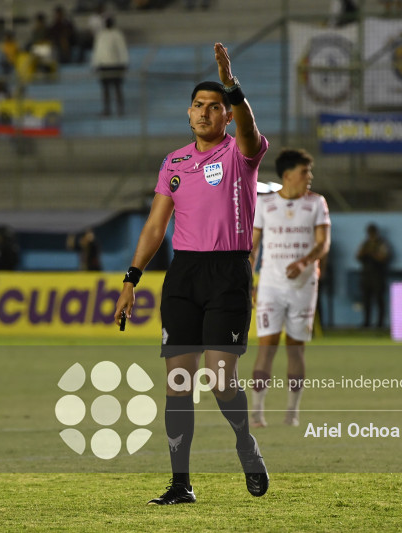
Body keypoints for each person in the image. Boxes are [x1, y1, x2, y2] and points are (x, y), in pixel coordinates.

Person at [114, 43, 270, 505]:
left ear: (226, 115)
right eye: (199, 106)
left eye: (214, 107)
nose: (206, 113)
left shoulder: (242, 154)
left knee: (221, 378)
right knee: (177, 381)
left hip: (228, 271)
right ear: (189, 114)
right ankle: (180, 483)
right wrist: (131, 278)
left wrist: (232, 84)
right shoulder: (174, 162)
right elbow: (156, 225)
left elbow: (250, 127)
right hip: (184, 274)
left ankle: (245, 444)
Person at [249, 148, 331, 429]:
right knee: (266, 347)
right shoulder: (265, 204)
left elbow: (323, 243)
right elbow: (252, 247)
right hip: (271, 285)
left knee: (295, 349)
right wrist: (249, 279)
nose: (309, 177)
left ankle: (291, 413)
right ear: (287, 175)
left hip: (303, 286)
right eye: (304, 172)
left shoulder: (317, 203)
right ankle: (257, 412)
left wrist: (305, 261)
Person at [91, 16, 128, 117]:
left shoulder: (117, 34)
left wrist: (124, 62)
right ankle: (107, 109)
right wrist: (95, 64)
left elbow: (122, 49)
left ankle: (120, 110)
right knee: (105, 89)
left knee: (117, 88)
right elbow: (97, 51)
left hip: (115, 64)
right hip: (104, 65)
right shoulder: (100, 35)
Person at [356, 223, 390, 329]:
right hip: (366, 275)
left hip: (378, 275)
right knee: (366, 300)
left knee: (379, 300)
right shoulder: (365, 243)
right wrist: (366, 252)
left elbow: (383, 258)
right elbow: (358, 255)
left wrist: (372, 253)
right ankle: (366, 322)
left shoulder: (381, 243)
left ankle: (380, 323)